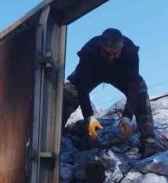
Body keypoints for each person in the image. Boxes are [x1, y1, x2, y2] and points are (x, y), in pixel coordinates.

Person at [63, 28, 162, 156]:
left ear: (122, 46)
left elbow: (133, 84)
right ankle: (54, 139)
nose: (111, 57)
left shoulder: (130, 50)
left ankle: (149, 142)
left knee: (140, 89)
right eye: (107, 53)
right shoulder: (89, 50)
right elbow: (82, 85)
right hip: (94, 73)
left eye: (115, 53)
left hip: (119, 74)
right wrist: (89, 116)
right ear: (100, 46)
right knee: (69, 92)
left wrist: (127, 116)